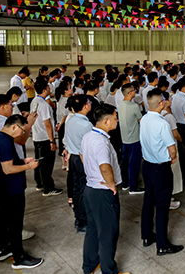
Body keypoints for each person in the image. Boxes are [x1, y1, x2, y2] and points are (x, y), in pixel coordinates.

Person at [81, 104, 130, 274]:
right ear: (106, 120)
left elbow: (82, 155)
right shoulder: (102, 142)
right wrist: (111, 184)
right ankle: (109, 271)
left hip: (90, 189)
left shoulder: (89, 136)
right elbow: (104, 166)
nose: (117, 120)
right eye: (115, 118)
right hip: (102, 193)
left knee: (93, 229)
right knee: (108, 233)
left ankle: (90, 265)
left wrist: (92, 172)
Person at [0, 115, 43, 269]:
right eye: (22, 130)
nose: (22, 134)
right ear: (14, 126)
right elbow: (7, 169)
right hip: (12, 189)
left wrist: (22, 161)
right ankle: (19, 257)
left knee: (3, 220)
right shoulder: (4, 142)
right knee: (15, 223)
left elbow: (7, 163)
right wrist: (28, 167)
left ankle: (3, 249)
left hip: (3, 189)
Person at [139, 89, 184, 255]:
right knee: (162, 206)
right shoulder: (163, 123)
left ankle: (147, 235)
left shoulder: (144, 119)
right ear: (161, 103)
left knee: (148, 202)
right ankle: (162, 245)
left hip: (148, 165)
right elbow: (172, 150)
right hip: (160, 167)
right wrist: (173, 157)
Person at [0, 94, 37, 241]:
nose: (12, 107)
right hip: (10, 179)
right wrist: (28, 124)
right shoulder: (4, 133)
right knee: (14, 213)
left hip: (5, 173)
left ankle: (3, 241)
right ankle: (15, 244)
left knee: (3, 211)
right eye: (10, 104)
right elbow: (21, 141)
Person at [64, 94, 93, 234]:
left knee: (77, 188)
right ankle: (83, 221)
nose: (90, 104)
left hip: (73, 158)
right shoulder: (86, 125)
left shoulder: (71, 120)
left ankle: (79, 217)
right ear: (85, 106)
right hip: (82, 159)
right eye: (88, 102)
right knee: (83, 189)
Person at [31, 78, 62, 196]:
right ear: (44, 90)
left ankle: (39, 183)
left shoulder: (35, 101)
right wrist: (52, 140)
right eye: (48, 88)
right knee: (47, 165)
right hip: (45, 138)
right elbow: (47, 124)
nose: (50, 89)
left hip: (37, 136)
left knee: (39, 161)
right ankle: (48, 188)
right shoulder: (44, 104)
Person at [118, 84, 144, 194]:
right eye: (133, 91)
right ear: (130, 93)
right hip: (134, 138)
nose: (135, 92)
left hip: (124, 138)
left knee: (125, 161)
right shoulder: (134, 106)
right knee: (134, 162)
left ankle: (125, 183)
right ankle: (133, 187)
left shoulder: (120, 104)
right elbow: (140, 120)